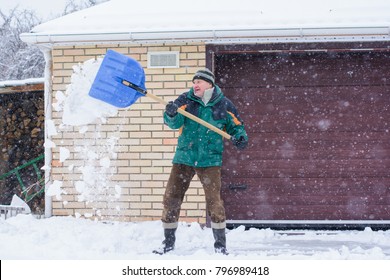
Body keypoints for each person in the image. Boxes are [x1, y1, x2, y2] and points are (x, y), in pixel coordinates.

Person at [153, 68, 248, 255]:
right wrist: (171, 114)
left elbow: (237, 126)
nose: (195, 84)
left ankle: (220, 246)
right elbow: (174, 123)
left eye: (199, 81)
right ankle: (168, 243)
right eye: (193, 81)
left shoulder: (224, 104)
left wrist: (241, 137)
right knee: (171, 198)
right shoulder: (185, 100)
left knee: (215, 203)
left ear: (209, 84)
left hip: (210, 160)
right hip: (184, 158)